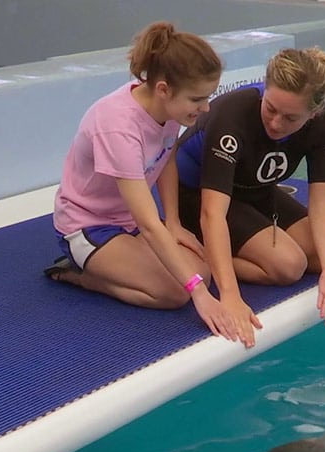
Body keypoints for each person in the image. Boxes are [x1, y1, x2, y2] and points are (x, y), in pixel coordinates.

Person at [45, 22, 241, 343]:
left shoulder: (166, 109)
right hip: (88, 227)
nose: (205, 108)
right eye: (197, 99)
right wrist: (199, 296)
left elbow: (166, 160)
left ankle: (120, 266)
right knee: (178, 292)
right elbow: (149, 223)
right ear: (163, 88)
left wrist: (175, 223)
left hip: (127, 223)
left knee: (202, 271)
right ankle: (83, 277)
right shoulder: (118, 126)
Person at [175, 47, 325, 346]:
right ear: (265, 89)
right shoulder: (234, 115)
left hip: (252, 189)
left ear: (313, 113)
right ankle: (198, 260)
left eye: (290, 118)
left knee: (318, 254)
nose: (276, 124)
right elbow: (212, 213)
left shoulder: (323, 124)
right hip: (196, 194)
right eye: (270, 108)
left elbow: (323, 204)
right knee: (288, 266)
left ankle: (230, 253)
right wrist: (230, 295)